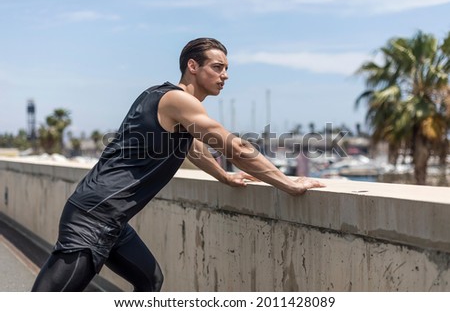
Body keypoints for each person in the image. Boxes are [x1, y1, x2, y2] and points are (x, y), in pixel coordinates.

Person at [31, 37, 325, 292]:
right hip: (93, 219)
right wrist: (288, 184)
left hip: (111, 220)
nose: (225, 76)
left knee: (150, 281)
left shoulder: (161, 97)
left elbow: (194, 149)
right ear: (193, 67)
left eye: (227, 69)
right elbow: (233, 146)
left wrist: (223, 176)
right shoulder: (177, 100)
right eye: (217, 67)